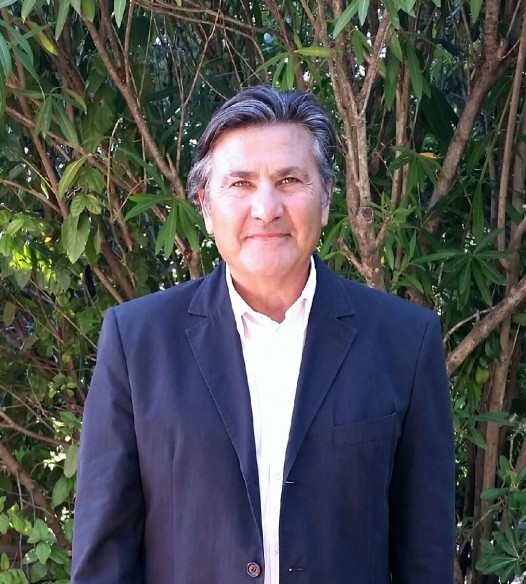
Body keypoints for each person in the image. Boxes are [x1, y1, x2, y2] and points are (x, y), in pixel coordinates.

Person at [71, 85, 455, 584]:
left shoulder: (405, 342)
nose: (266, 207)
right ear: (205, 207)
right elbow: (104, 561)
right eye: (241, 183)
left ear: (326, 197)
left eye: (290, 180)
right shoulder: (137, 342)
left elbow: (425, 555)